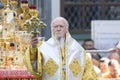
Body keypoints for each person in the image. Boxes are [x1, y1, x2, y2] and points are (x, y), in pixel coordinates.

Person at [24, 17, 98, 80]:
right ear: (52, 29)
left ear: (66, 29)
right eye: (55, 27)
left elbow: (88, 71)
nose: (58, 29)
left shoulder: (78, 50)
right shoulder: (44, 48)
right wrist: (33, 49)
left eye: (61, 26)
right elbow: (35, 67)